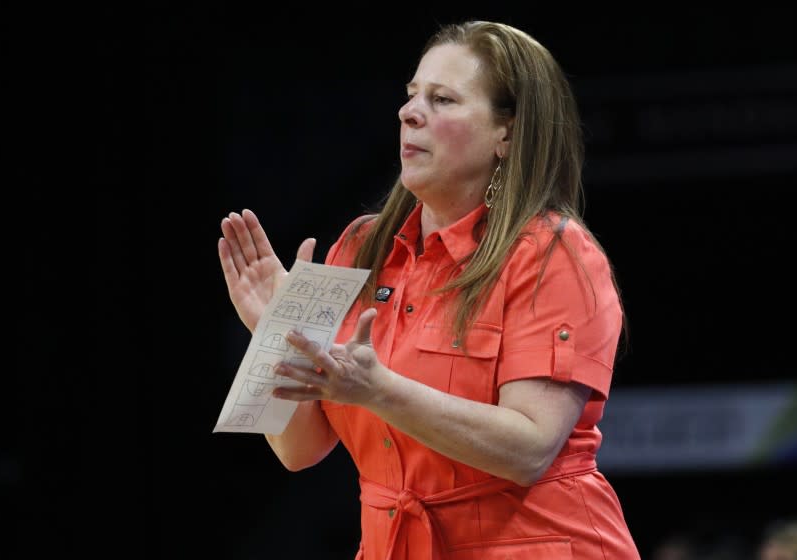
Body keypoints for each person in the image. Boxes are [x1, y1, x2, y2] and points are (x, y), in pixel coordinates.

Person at [218, 20, 639, 559]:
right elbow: (298, 451)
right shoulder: (359, 247)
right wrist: (276, 333)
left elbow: (529, 448)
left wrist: (377, 389)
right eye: (412, 95)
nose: (409, 112)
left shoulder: (552, 254)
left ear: (506, 134)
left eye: (443, 100)